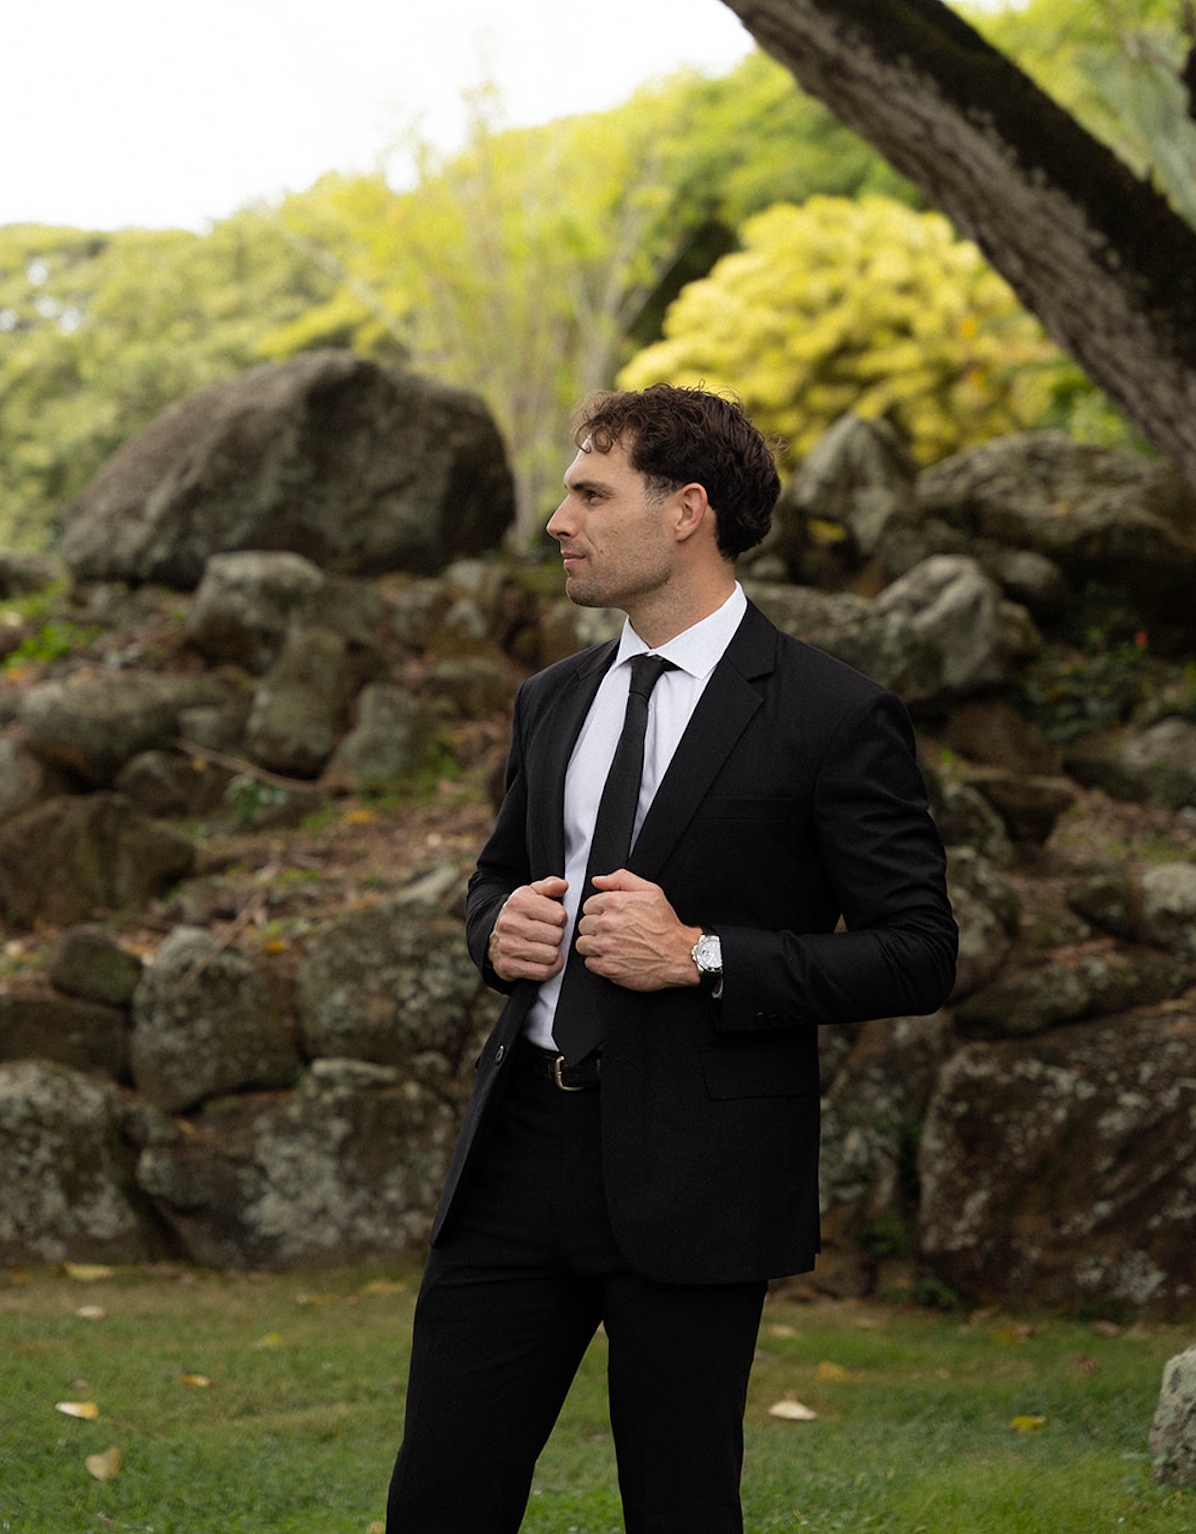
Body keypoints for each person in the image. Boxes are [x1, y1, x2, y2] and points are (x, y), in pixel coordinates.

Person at [386, 384, 956, 1534]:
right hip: (517, 1152)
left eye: (590, 495)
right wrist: (494, 930)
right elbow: (494, 879)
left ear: (686, 510)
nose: (559, 521)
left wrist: (702, 955)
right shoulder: (549, 701)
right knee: (440, 1498)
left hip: (698, 1171)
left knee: (680, 1508)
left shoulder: (831, 714)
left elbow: (918, 954)